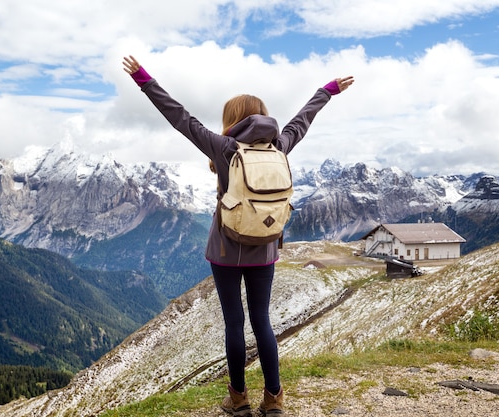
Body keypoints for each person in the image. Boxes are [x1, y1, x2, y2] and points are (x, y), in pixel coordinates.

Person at [122, 54, 354, 417]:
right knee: (263, 320)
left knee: (234, 321)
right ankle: (274, 400)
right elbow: (302, 120)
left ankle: (239, 398)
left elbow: (180, 118)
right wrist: (326, 91)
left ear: (232, 119)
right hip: (264, 248)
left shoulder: (224, 147)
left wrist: (143, 79)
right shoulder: (280, 146)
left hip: (226, 249)